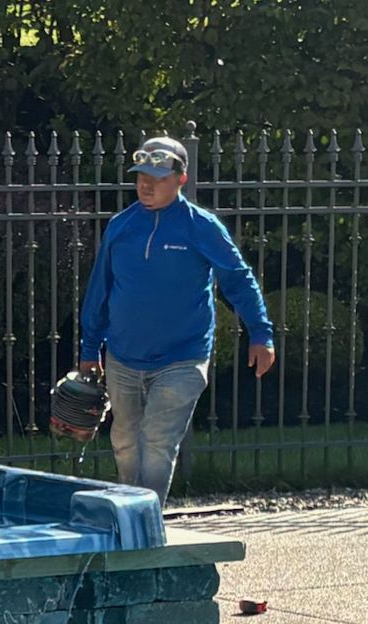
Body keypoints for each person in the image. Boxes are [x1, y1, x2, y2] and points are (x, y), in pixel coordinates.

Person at [76, 135, 276, 502]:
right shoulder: (121, 226)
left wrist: (261, 334)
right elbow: (99, 290)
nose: (146, 184)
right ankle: (132, 512)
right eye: (141, 176)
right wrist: (90, 349)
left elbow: (238, 279)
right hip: (123, 356)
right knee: (123, 439)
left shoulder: (202, 226)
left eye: (157, 177)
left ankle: (145, 523)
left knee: (157, 440)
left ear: (181, 180)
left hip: (183, 358)